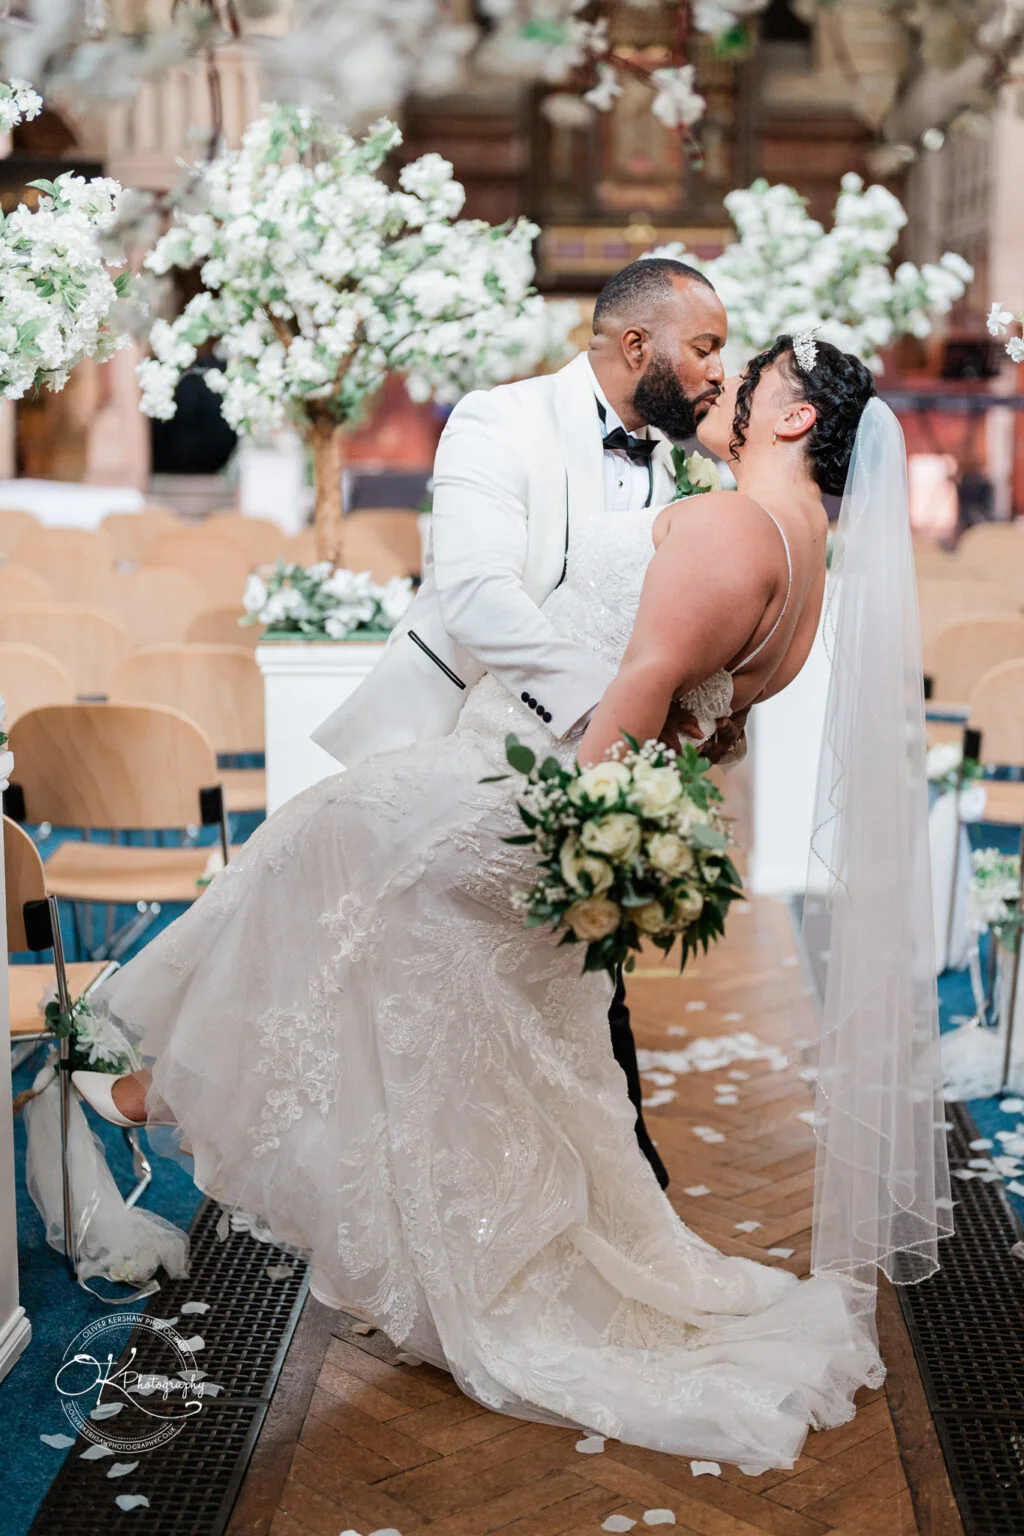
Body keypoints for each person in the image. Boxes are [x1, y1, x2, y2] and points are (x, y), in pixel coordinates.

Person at [73, 332, 911, 1473]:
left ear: (793, 418)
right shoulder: (807, 555)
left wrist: (577, 844)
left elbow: (639, 690)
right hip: (572, 802)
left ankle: (167, 1086)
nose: (722, 387)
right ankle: (430, 1228)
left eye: (745, 377)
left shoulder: (727, 524)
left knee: (325, 837)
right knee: (494, 1045)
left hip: (532, 801)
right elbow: (717, 726)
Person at [312, 256, 731, 1190]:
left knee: (578, 969)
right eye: (704, 348)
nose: (714, 372)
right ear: (636, 343)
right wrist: (605, 715)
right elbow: (475, 594)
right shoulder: (499, 419)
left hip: (598, 766)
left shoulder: (680, 467)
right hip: (475, 737)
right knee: (443, 976)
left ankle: (602, 1174)